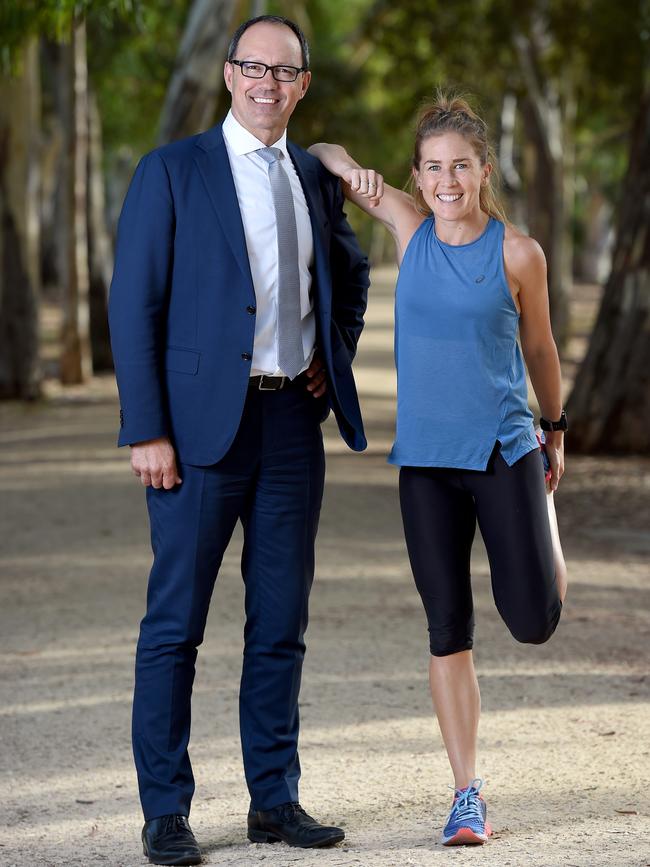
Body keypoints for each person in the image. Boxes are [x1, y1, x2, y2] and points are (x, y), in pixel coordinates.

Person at [108, 15, 369, 866]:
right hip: (195, 432)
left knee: (281, 621)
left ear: (302, 85)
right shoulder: (172, 171)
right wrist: (145, 427)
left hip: (292, 424)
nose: (269, 84)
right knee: (175, 624)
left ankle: (274, 798)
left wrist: (334, 356)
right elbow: (132, 305)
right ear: (228, 75)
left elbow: (350, 274)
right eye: (254, 67)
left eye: (286, 72)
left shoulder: (311, 176)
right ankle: (166, 812)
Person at [309, 92, 567, 847]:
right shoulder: (408, 227)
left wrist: (555, 430)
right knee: (446, 627)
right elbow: (320, 151)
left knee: (533, 621)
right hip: (424, 463)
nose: (447, 180)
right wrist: (355, 173)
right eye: (432, 168)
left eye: (460, 166)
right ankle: (466, 793)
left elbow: (543, 351)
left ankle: (545, 532)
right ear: (417, 178)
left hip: (504, 451)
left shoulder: (518, 253)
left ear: (483, 170)